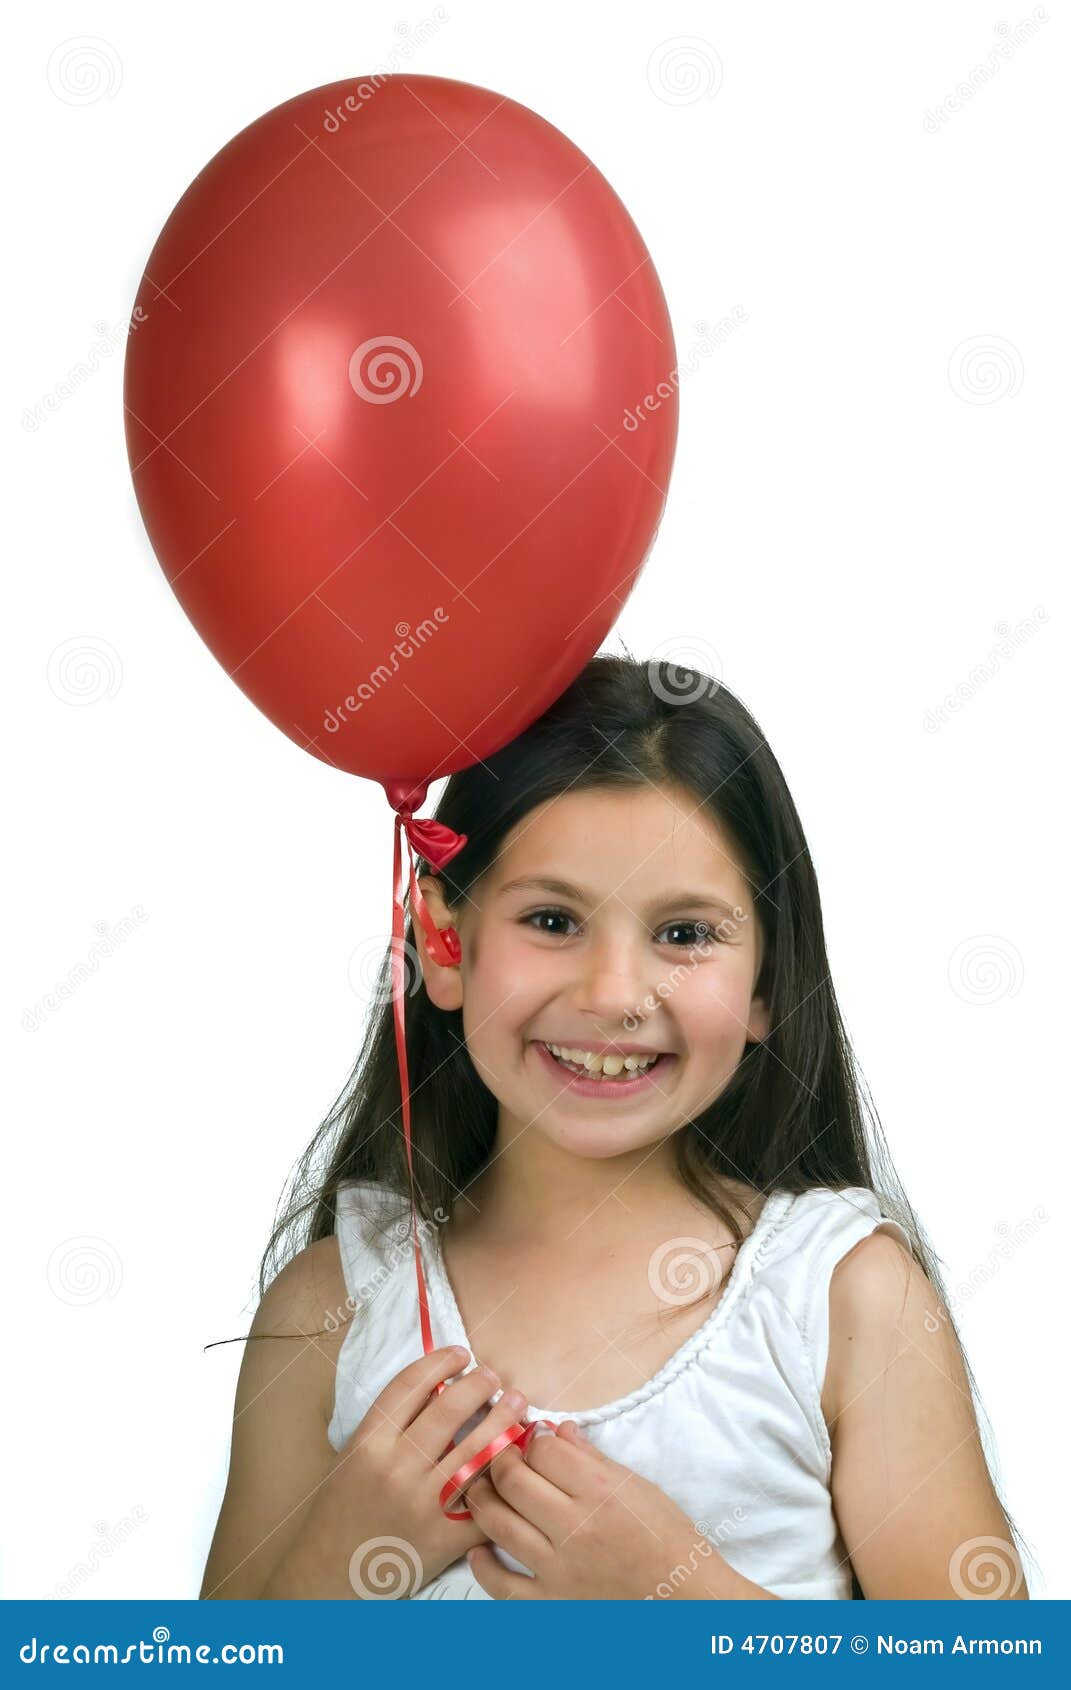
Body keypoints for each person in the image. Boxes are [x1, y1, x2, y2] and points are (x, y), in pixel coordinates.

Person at [200, 652, 1030, 1601]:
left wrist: (682, 1605)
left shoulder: (845, 1302)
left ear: (765, 982)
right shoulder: (328, 1310)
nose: (614, 995)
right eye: (553, 921)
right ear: (444, 943)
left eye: (684, 935)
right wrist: (340, 1557)